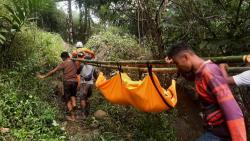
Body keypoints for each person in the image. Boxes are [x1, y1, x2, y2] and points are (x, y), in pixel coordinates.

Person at [165, 42, 246, 141]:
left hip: (221, 133)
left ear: (185, 57)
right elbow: (189, 76)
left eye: (177, 63)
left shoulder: (209, 72)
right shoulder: (200, 71)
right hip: (214, 130)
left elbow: (230, 107)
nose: (178, 66)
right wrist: (174, 63)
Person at [37, 52, 78, 121]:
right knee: (73, 95)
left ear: (64, 57)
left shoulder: (64, 63)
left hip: (67, 82)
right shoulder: (74, 62)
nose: (62, 60)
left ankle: (72, 117)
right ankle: (74, 104)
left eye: (62, 58)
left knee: (67, 100)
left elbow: (53, 71)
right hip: (75, 82)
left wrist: (43, 76)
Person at [78, 53, 97, 118]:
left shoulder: (81, 66)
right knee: (88, 98)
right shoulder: (93, 67)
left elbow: (77, 72)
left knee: (82, 98)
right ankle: (87, 113)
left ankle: (83, 114)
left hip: (83, 84)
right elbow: (96, 76)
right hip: (90, 84)